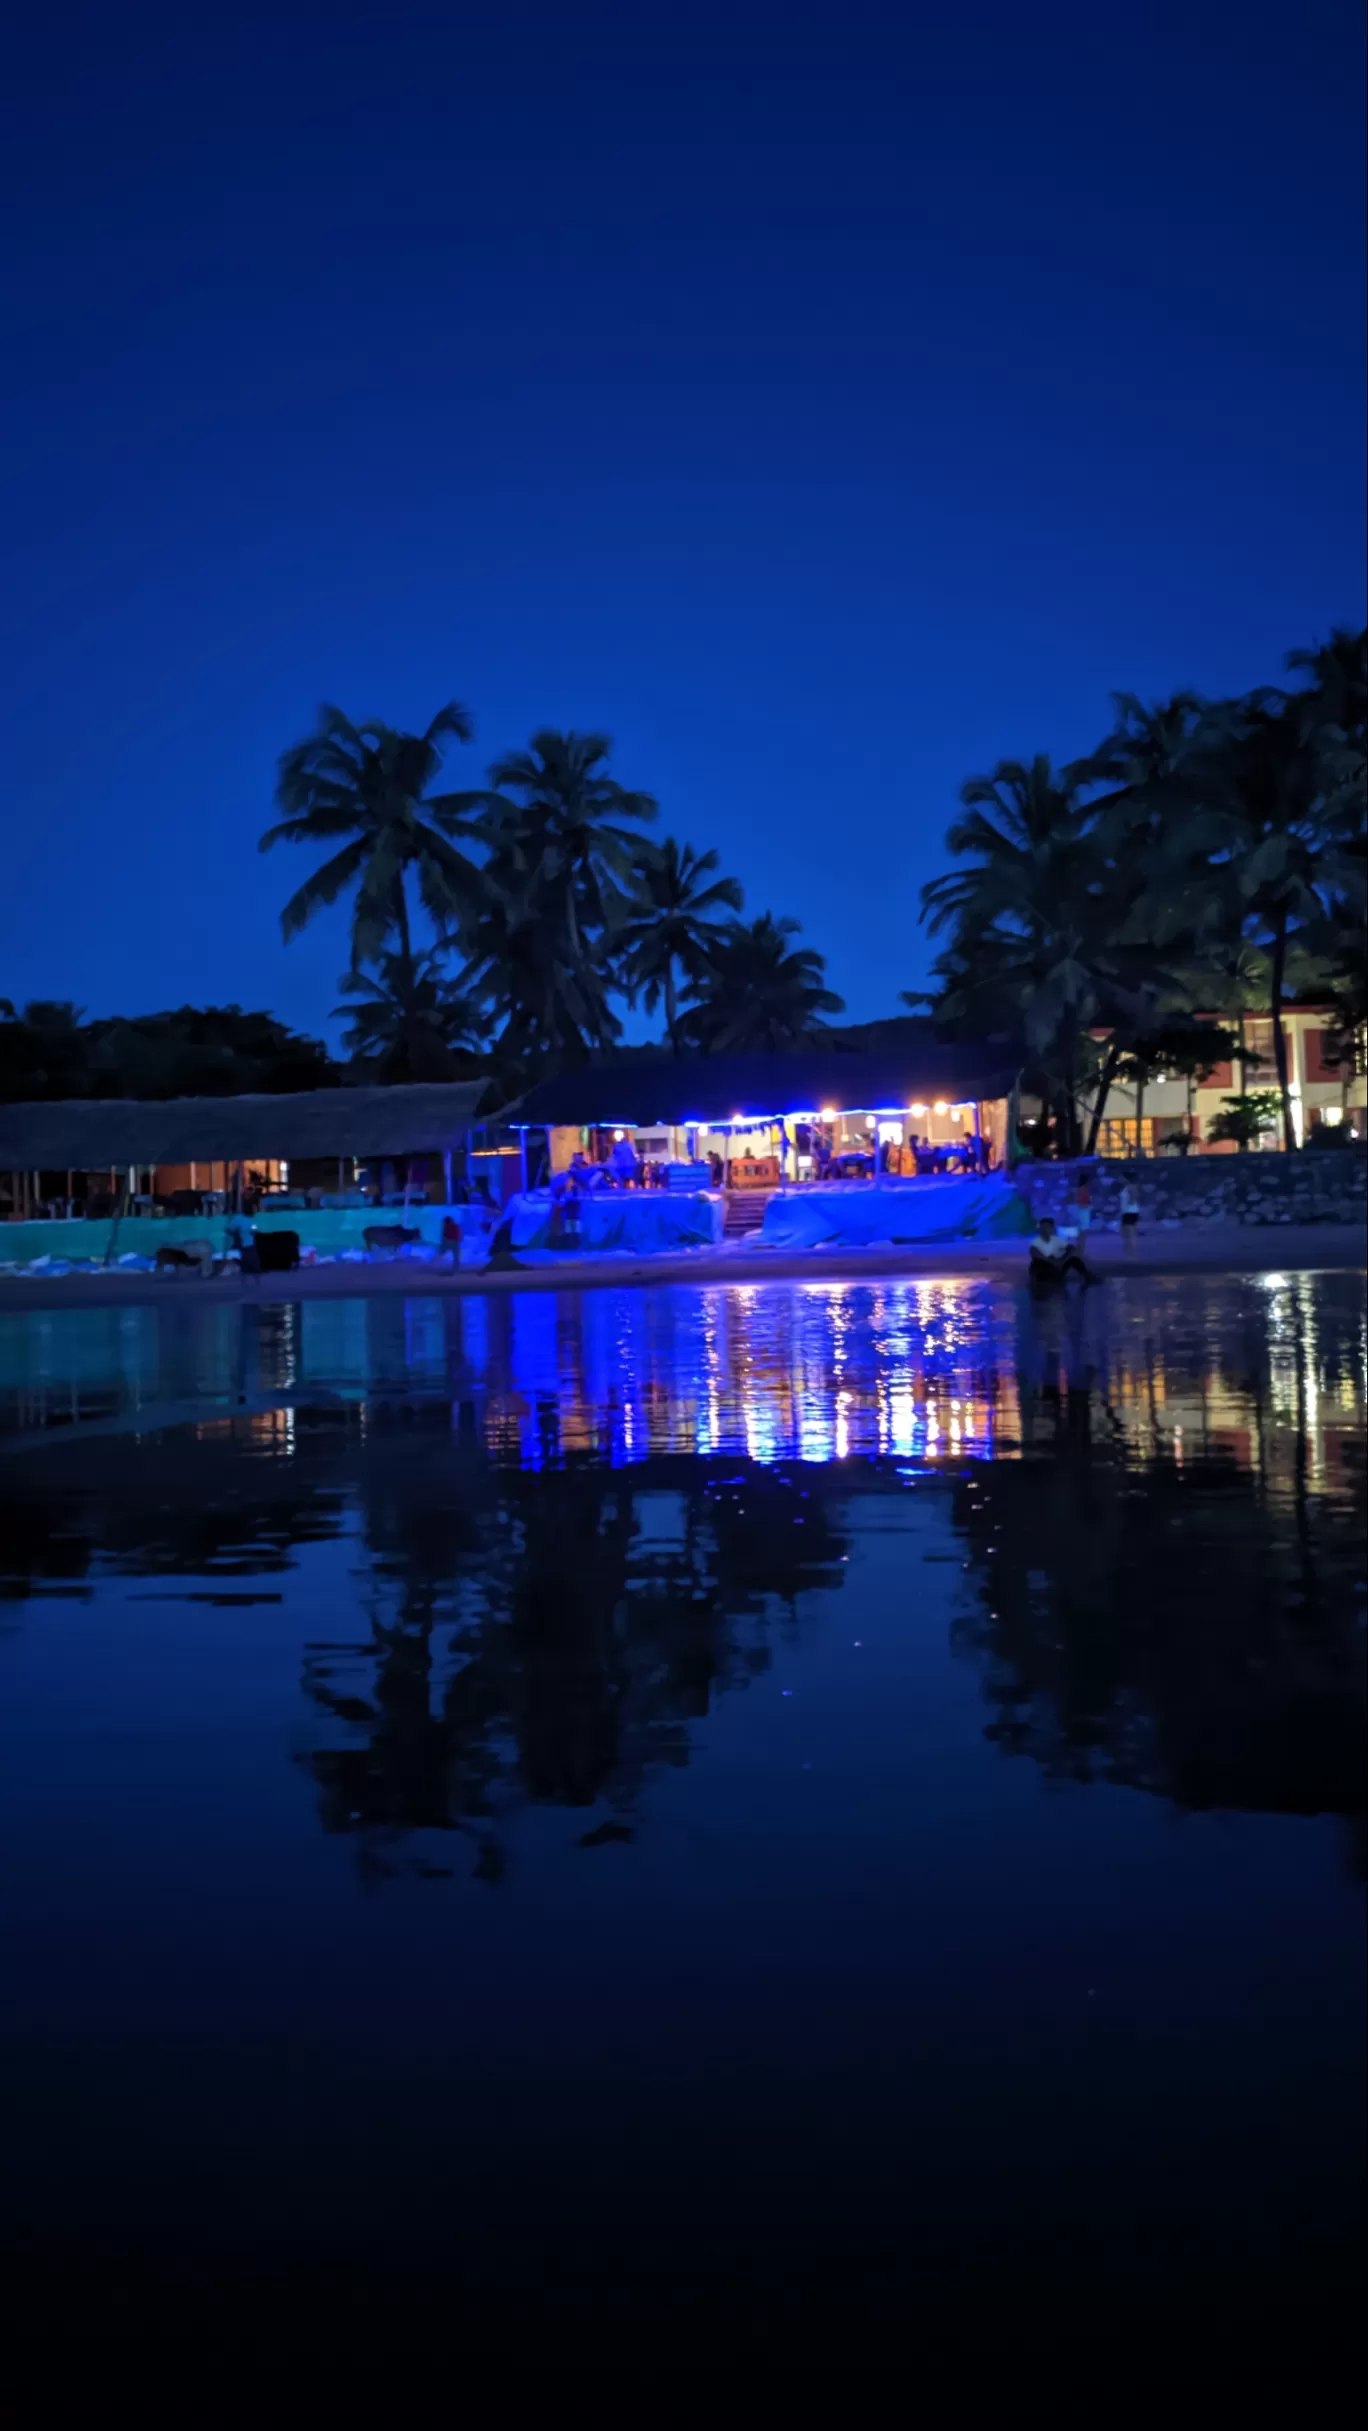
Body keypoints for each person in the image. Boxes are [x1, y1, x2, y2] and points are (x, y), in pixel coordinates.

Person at [1028, 1215, 1098, 1288]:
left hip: (1059, 1264)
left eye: (1047, 1227)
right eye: (1042, 1227)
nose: (1044, 1229)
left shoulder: (1056, 1240)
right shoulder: (1035, 1241)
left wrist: (1063, 1259)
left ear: (1051, 1229)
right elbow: (1035, 1253)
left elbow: (1071, 1247)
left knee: (1074, 1259)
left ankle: (1087, 1277)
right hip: (1046, 1265)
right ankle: (1042, 1280)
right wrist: (1053, 1261)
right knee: (1037, 1263)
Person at [1119, 1172, 1141, 1250]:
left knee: (1130, 1234)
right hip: (1126, 1212)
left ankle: (1132, 1253)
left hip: (1131, 1212)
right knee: (1126, 1234)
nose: (1121, 1179)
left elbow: (1133, 1198)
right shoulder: (1126, 1187)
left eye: (1122, 1178)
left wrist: (1130, 1199)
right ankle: (1129, 1252)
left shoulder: (1131, 1187)